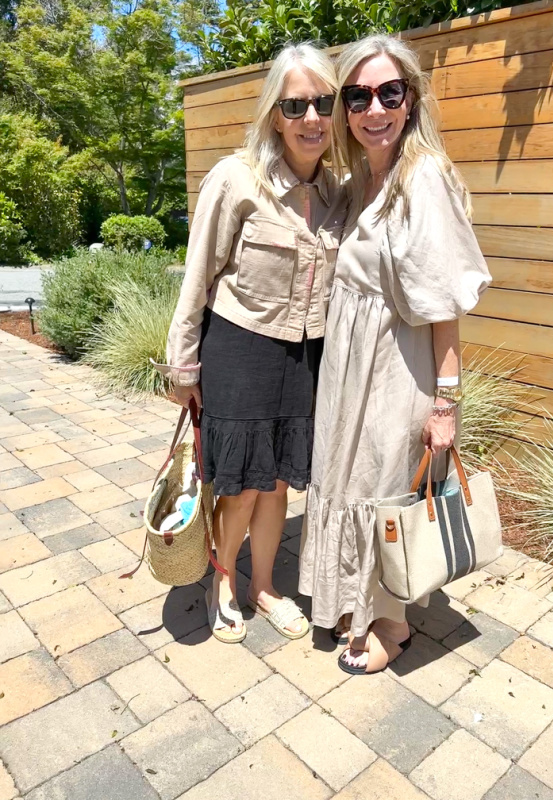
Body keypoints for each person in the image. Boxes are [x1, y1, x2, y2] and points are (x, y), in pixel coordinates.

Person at [298, 34, 491, 674]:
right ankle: (354, 602)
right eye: (357, 96)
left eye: (388, 92)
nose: (373, 108)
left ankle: (392, 622)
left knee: (383, 486)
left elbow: (444, 308)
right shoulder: (362, 179)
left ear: (410, 99)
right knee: (349, 478)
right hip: (349, 365)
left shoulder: (422, 177)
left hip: (395, 363)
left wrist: (446, 403)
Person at [155, 43, 347, 644]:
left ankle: (264, 587)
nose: (311, 118)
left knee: (280, 483)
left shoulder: (341, 190)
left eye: (323, 102)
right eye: (296, 105)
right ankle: (221, 583)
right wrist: (183, 366)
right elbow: (197, 279)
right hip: (241, 349)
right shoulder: (236, 179)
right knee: (238, 487)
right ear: (274, 114)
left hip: (306, 356)